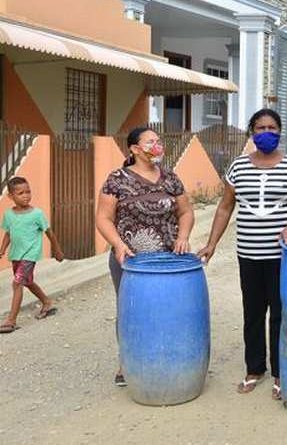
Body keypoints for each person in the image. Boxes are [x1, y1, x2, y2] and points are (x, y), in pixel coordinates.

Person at [198, 108, 287, 399]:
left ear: (280, 131)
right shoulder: (238, 167)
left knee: (279, 313)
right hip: (248, 253)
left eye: (272, 128)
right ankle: (254, 368)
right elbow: (226, 207)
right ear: (251, 132)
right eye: (260, 128)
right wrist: (211, 244)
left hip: (282, 256)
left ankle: (279, 372)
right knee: (252, 313)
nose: (266, 133)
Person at [96, 127, 195, 386]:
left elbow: (185, 212)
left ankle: (167, 358)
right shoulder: (116, 179)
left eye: (158, 141)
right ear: (135, 149)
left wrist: (183, 236)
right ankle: (128, 361)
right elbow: (103, 218)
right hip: (129, 260)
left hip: (168, 260)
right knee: (130, 310)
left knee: (169, 309)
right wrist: (117, 244)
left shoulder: (170, 178)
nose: (157, 146)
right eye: (151, 142)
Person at [0, 177, 65, 334]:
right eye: (20, 193)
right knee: (27, 282)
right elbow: (8, 233)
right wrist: (2, 249)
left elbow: (49, 233)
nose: (26, 196)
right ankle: (47, 302)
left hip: (30, 254)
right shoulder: (8, 215)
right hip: (16, 254)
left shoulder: (37, 214)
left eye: (28, 192)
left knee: (17, 284)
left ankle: (11, 320)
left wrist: (57, 250)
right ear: (11, 196)